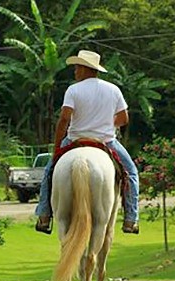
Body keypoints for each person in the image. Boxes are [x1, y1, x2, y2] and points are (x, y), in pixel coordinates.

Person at [34, 50, 140, 235]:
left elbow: (64, 119)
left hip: (75, 139)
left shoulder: (74, 90)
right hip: (106, 141)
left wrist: (57, 148)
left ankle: (44, 215)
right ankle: (131, 219)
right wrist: (107, 123)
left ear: (85, 69)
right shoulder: (113, 89)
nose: (75, 71)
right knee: (131, 173)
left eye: (77, 67)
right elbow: (124, 118)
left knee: (49, 171)